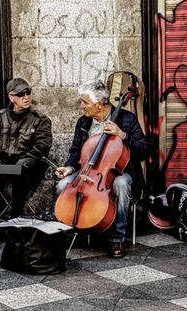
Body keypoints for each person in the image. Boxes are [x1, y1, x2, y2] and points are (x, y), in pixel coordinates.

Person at [55, 79, 148, 258]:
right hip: (87, 171)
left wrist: (123, 135)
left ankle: (117, 237)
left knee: (121, 184)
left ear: (99, 105)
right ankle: (72, 230)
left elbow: (144, 150)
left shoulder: (127, 119)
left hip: (120, 172)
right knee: (62, 186)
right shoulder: (84, 122)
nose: (81, 106)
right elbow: (76, 151)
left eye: (85, 102)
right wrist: (68, 167)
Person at [0, 78, 52, 218]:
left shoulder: (40, 120)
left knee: (21, 171)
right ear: (11, 97)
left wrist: (23, 162)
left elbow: (42, 147)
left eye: (28, 92)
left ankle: (15, 218)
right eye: (21, 94)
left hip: (29, 165)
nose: (26, 97)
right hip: (5, 163)